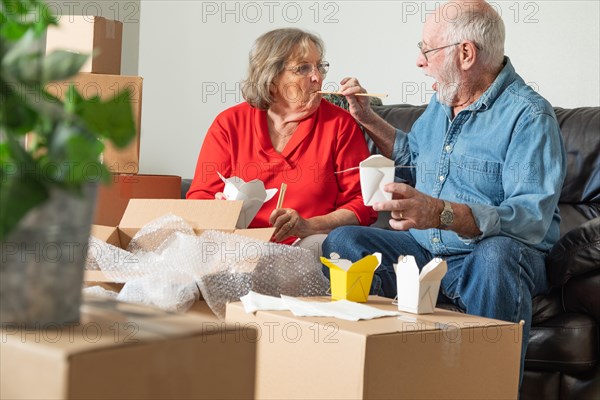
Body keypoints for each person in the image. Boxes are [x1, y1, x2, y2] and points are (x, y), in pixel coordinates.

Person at [322, 0, 566, 380]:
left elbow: (531, 220)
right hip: (425, 253)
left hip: (487, 260)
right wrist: (367, 118)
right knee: (345, 241)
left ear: (466, 53)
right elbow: (413, 155)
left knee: (496, 256)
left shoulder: (529, 116)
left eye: (427, 50)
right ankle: (378, 377)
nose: (420, 61)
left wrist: (442, 213)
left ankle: (487, 386)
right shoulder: (442, 103)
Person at [187, 28, 377, 247]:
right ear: (271, 78)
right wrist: (218, 211)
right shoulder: (229, 123)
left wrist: (309, 225)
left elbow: (364, 203)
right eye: (303, 68)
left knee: (315, 245)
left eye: (320, 66)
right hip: (236, 243)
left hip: (307, 242)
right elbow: (200, 197)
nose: (317, 77)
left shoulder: (339, 124)